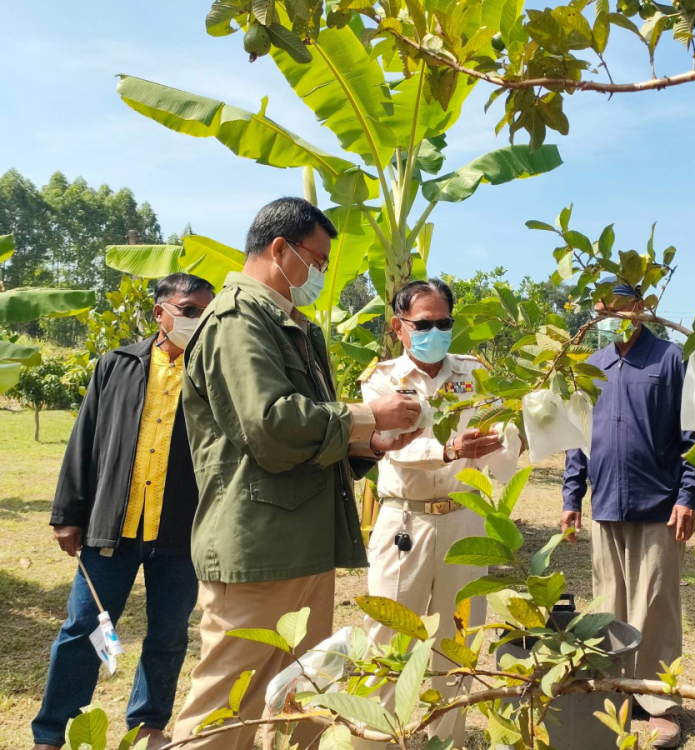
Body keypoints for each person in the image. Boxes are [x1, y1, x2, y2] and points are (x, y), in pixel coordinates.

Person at [173, 197, 419, 750]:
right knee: (225, 704)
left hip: (300, 539)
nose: (322, 274)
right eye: (319, 260)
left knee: (300, 692)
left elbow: (309, 433)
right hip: (259, 544)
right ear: (280, 249)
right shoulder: (239, 318)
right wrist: (364, 417)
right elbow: (271, 426)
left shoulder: (288, 324)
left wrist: (368, 442)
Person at [31, 273, 215, 750]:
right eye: (189, 309)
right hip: (111, 525)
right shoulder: (116, 365)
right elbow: (84, 440)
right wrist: (67, 513)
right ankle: (54, 731)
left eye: (205, 311)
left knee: (169, 633)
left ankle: (149, 723)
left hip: (179, 529)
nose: (197, 319)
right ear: (161, 313)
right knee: (82, 628)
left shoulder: (211, 372)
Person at [356, 278, 521, 749]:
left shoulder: (475, 373)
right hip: (403, 521)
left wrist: (514, 436)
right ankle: (377, 740)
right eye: (424, 323)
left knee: (460, 639)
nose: (435, 331)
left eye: (444, 322)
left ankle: (444, 739)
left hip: (463, 523)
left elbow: (498, 447)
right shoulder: (383, 380)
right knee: (389, 638)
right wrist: (448, 449)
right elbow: (392, 448)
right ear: (399, 327)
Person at [561, 280, 695, 749]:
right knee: (608, 603)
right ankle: (617, 695)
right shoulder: (592, 365)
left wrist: (690, 496)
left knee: (655, 605)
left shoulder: (671, 359)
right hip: (607, 503)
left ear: (640, 308)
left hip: (660, 505)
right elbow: (578, 436)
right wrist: (572, 498)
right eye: (599, 307)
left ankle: (659, 705)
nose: (607, 313)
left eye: (617, 305)